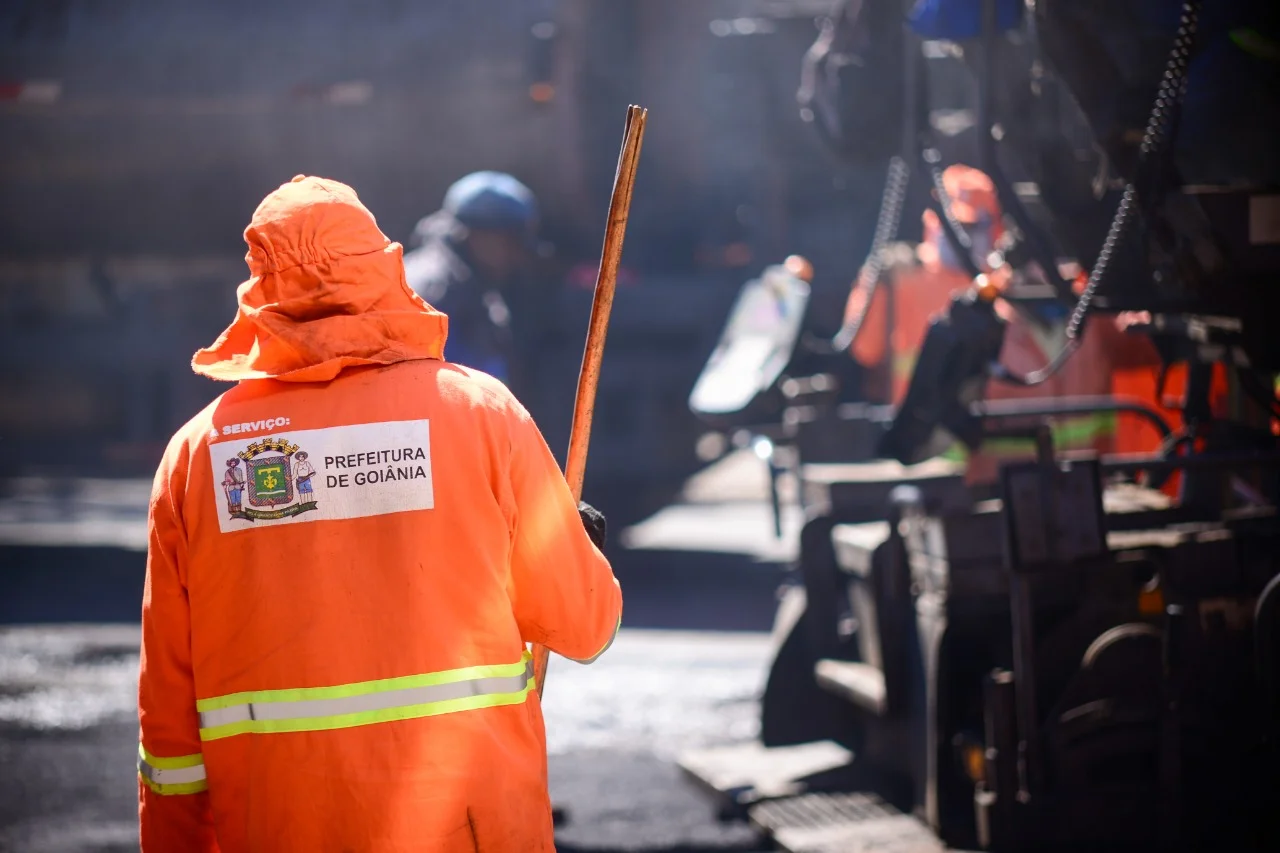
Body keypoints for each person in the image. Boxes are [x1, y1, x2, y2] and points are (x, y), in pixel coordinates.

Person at [137, 175, 621, 852]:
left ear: (259, 288)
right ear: (381, 263)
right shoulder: (484, 414)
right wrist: (573, 545)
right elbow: (586, 625)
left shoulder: (196, 457)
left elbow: (169, 727)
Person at [845, 164, 1159, 483]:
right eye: (958, 226)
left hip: (1092, 487)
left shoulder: (1093, 318)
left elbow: (1150, 349)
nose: (1041, 274)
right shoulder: (976, 322)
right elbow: (866, 352)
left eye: (975, 227)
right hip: (988, 488)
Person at [402, 171, 540, 390]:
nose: (516, 255)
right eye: (510, 241)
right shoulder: (435, 291)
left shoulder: (471, 284)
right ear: (475, 234)